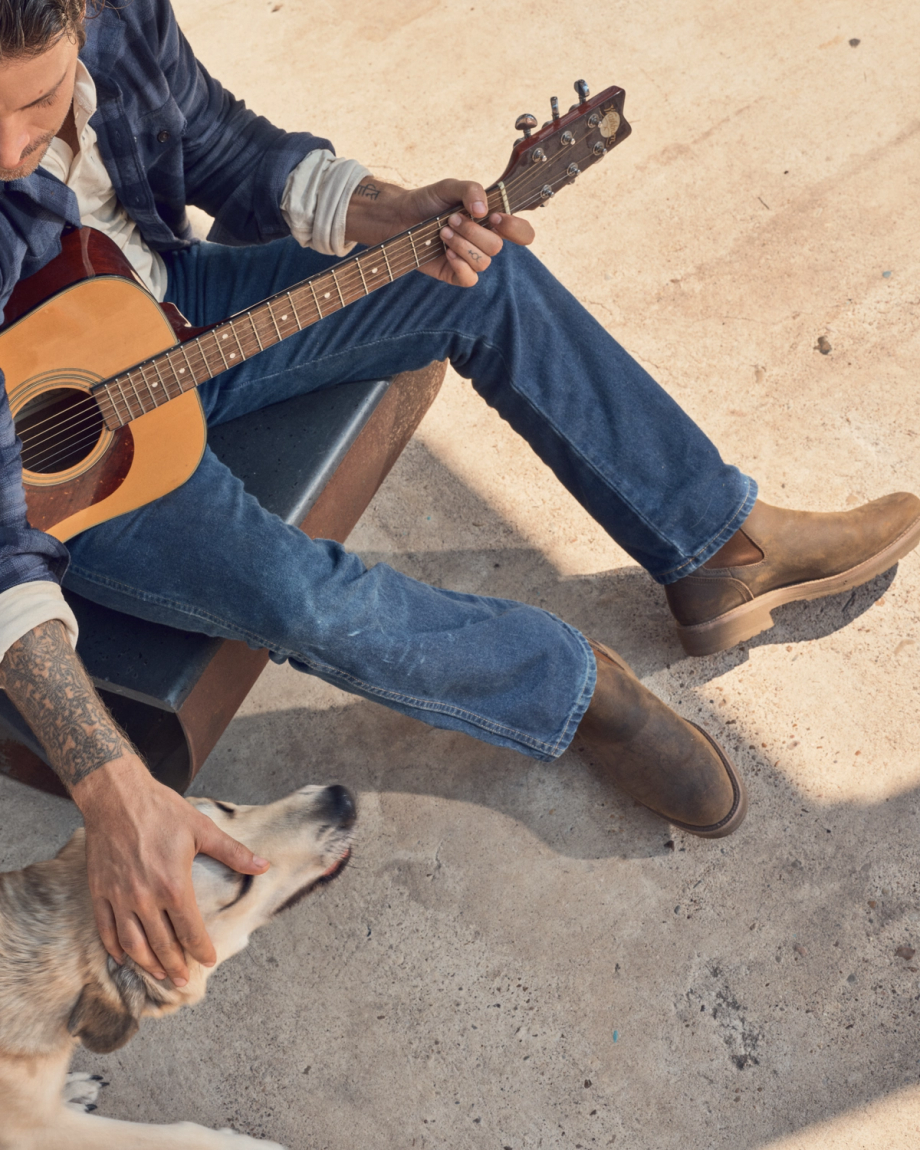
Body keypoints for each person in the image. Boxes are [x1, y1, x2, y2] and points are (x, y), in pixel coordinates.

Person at [0, 0, 917, 991]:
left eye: (41, 101)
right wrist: (109, 786)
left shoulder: (119, 14)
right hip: (51, 486)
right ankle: (574, 688)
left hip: (160, 301)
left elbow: (217, 140)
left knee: (478, 277)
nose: (12, 148)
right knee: (299, 595)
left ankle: (718, 544)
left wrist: (383, 211)